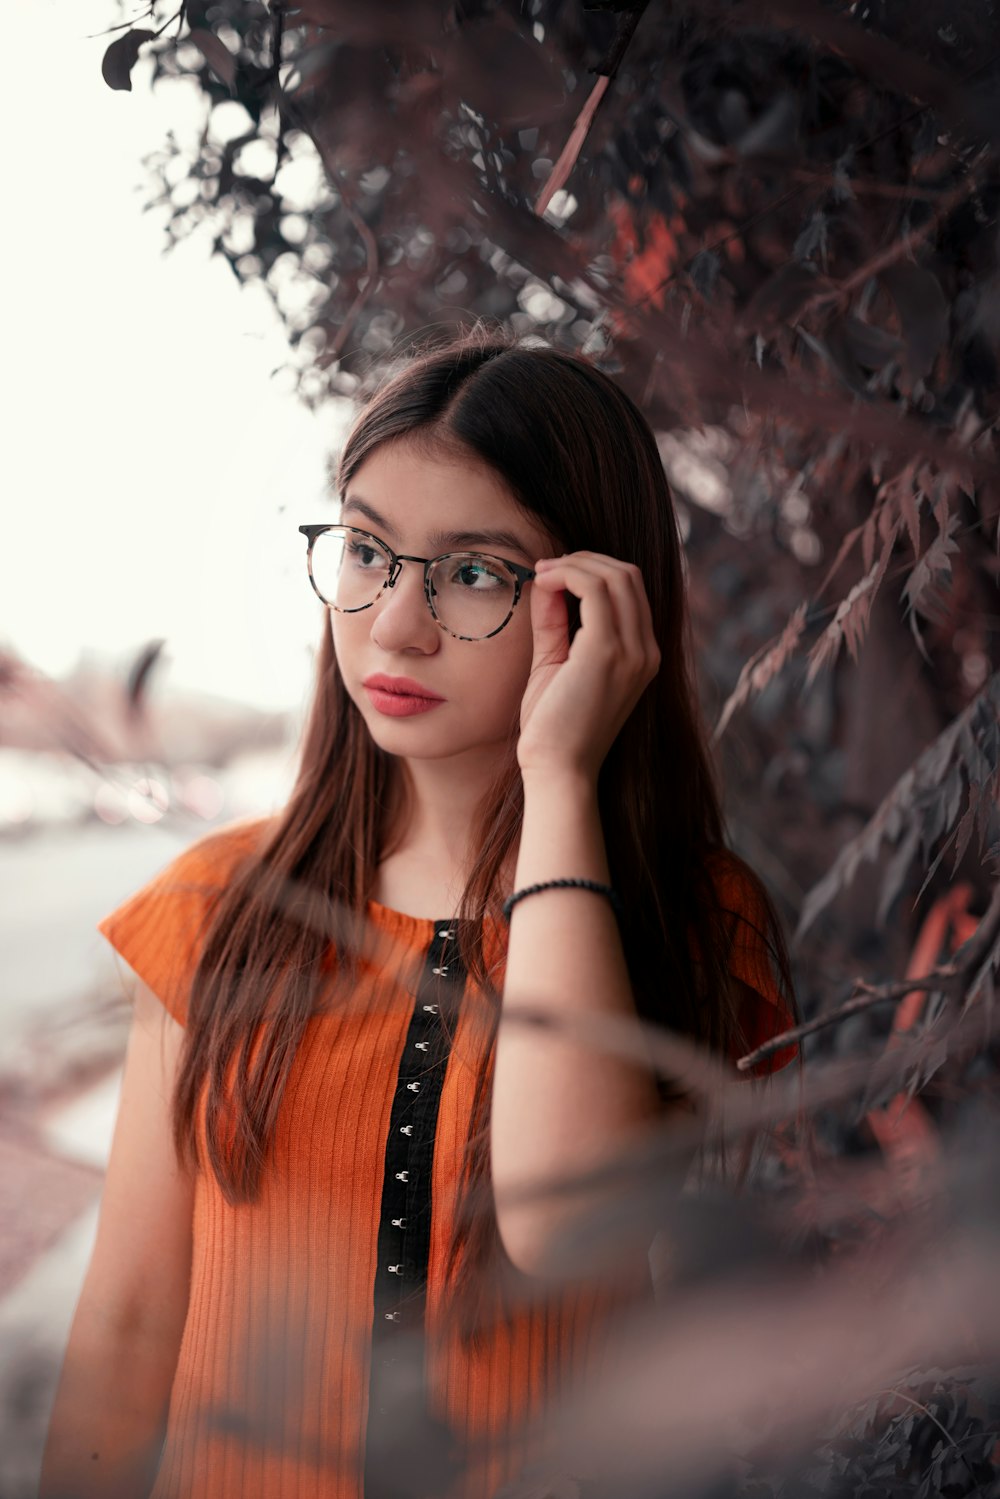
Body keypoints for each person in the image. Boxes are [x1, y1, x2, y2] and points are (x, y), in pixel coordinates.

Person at [40, 324, 798, 1499]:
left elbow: (568, 1226)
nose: (395, 623)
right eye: (367, 552)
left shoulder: (691, 916)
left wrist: (558, 780)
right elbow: (132, 1322)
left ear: (592, 610)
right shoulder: (213, 906)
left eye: (475, 573)